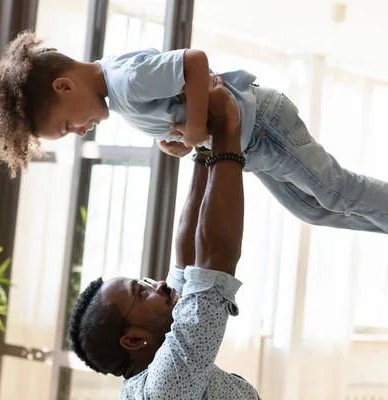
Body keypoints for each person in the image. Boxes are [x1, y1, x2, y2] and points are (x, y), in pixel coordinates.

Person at [0, 31, 388, 273]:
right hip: (255, 146)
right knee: (313, 211)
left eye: (66, 124)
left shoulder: (124, 84)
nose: (79, 131)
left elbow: (194, 61)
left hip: (264, 127)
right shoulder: (117, 90)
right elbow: (178, 98)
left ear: (64, 85)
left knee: (334, 191)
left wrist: (195, 127)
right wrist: (175, 137)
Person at [68, 76, 260, 399]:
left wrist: (202, 144)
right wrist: (227, 126)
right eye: (141, 292)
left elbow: (187, 267)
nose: (159, 284)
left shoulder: (146, 374)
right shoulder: (164, 390)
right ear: (133, 339)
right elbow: (214, 269)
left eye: (143, 282)